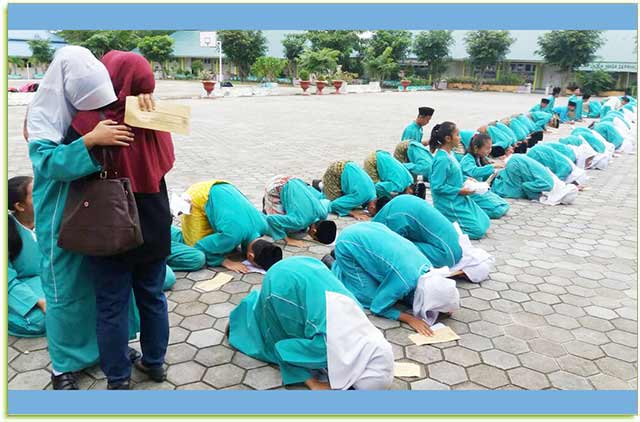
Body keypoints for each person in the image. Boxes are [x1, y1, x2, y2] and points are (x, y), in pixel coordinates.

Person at [27, 46, 137, 390]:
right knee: (62, 290)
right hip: (59, 214)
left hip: (93, 210)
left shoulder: (92, 113)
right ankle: (63, 366)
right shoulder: (42, 117)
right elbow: (49, 165)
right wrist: (90, 140)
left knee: (97, 284)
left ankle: (104, 348)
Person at [68, 51, 174, 390]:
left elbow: (68, 165)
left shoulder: (88, 120)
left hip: (108, 221)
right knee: (153, 295)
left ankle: (118, 378)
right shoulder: (156, 116)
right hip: (154, 217)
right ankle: (155, 364)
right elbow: (167, 161)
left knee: (111, 304)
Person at [229, 256, 394, 390]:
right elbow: (282, 348)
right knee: (272, 337)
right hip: (280, 285)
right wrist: (313, 383)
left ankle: (251, 309)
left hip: (306, 265)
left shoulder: (364, 324)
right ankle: (239, 321)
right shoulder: (325, 347)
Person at [329, 222, 459, 332]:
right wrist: (409, 319)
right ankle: (333, 264)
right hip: (348, 243)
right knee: (369, 297)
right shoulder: (405, 281)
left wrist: (444, 304)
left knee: (393, 289)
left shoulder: (428, 269)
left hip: (368, 229)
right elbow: (378, 307)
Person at [372, 195, 494, 283]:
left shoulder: (392, 219)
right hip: (456, 247)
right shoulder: (400, 201)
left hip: (445, 254)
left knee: (398, 249)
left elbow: (389, 251)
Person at [179, 180, 282, 274]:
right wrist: (224, 261)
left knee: (223, 243)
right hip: (198, 195)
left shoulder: (263, 225)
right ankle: (168, 236)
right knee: (193, 249)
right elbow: (200, 246)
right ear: (250, 256)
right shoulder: (231, 236)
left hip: (223, 186)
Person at [429, 122, 490, 240]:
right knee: (477, 231)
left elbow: (453, 175)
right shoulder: (442, 159)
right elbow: (437, 187)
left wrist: (467, 179)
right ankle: (444, 227)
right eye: (457, 135)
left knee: (485, 221)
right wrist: (460, 191)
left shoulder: (450, 154)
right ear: (448, 138)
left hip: (459, 197)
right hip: (449, 201)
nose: (460, 138)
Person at [8, 176, 46, 338]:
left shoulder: (48, 220)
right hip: (21, 287)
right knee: (38, 321)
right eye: (36, 194)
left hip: (49, 281)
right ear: (20, 206)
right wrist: (38, 302)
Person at [262, 175, 337, 247]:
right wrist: (288, 240)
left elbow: (327, 202)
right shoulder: (300, 222)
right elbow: (271, 219)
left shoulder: (322, 212)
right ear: (314, 231)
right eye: (314, 238)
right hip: (276, 185)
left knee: (293, 222)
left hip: (293, 180)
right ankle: (267, 205)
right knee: (280, 227)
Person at [491, 154, 578, 206]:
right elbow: (526, 186)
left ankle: (495, 177)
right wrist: (537, 196)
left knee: (511, 183)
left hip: (517, 160)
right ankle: (491, 184)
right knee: (514, 191)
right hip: (516, 164)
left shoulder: (554, 182)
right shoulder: (548, 185)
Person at [459, 133, 510, 218]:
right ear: (476, 148)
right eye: (487, 148)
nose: (489, 150)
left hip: (480, 190)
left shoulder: (480, 158)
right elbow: (474, 172)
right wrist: (492, 166)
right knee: (497, 210)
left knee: (504, 204)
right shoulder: (467, 160)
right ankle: (471, 209)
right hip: (470, 192)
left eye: (490, 147)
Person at [314, 160, 379, 220]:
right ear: (372, 207)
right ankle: (312, 188)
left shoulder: (373, 193)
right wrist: (352, 213)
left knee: (347, 203)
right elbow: (335, 205)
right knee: (328, 202)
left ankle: (322, 185)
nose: (369, 214)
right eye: (371, 213)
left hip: (346, 167)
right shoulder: (361, 197)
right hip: (335, 171)